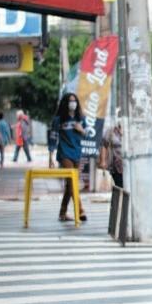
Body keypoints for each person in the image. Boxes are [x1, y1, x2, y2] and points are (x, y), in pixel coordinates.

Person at [51, 93, 87, 222]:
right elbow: (53, 138)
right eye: (70, 101)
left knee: (69, 186)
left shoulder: (81, 118)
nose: (73, 103)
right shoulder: (59, 119)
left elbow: (87, 135)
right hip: (64, 153)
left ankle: (62, 213)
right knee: (72, 182)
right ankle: (80, 210)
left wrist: (81, 130)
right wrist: (50, 157)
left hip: (77, 153)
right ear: (65, 103)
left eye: (75, 101)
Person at [103, 122, 124, 188]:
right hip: (116, 165)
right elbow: (104, 145)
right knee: (119, 186)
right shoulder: (111, 130)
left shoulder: (131, 129)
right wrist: (103, 161)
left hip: (129, 165)